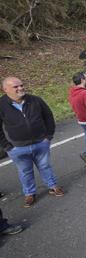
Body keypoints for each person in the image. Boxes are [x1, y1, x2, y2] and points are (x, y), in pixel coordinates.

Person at [0, 77, 64, 207]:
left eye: (21, 85)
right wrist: (7, 146)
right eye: (16, 87)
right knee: (25, 171)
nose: (20, 88)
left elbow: (48, 116)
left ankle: (52, 186)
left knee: (45, 166)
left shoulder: (35, 100)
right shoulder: (1, 105)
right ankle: (29, 193)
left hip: (41, 142)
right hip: (17, 147)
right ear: (5, 89)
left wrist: (48, 136)